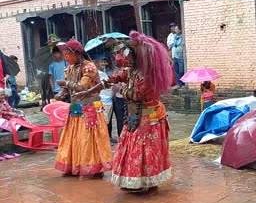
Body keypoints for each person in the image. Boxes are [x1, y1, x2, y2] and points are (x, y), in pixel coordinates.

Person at [74, 31, 174, 192]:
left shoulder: (148, 76)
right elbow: (111, 79)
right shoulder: (131, 71)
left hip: (149, 118)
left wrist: (122, 89)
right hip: (134, 117)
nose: (122, 59)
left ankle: (149, 182)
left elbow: (137, 95)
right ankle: (133, 180)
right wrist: (88, 92)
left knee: (146, 151)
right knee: (129, 147)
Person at [54, 39, 112, 178]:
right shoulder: (69, 68)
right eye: (65, 54)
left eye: (68, 54)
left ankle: (94, 167)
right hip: (75, 106)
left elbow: (82, 87)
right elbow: (66, 88)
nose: (66, 57)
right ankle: (75, 165)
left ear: (77, 53)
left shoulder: (89, 67)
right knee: (74, 136)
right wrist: (61, 93)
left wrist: (66, 83)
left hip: (90, 106)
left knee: (89, 138)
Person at [93, 53, 116, 145]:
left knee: (107, 121)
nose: (104, 63)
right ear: (96, 63)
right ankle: (104, 139)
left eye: (105, 61)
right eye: (102, 62)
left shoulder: (105, 73)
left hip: (108, 100)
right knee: (103, 121)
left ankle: (107, 138)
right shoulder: (97, 74)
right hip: (103, 101)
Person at [0, 88, 21, 160]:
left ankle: (10, 151)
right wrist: (10, 113)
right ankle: (5, 152)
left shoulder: (4, 101)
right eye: (1, 95)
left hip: (6, 120)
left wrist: (15, 111)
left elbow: (10, 109)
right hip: (1, 122)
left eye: (3, 94)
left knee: (18, 126)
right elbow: (2, 112)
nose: (3, 96)